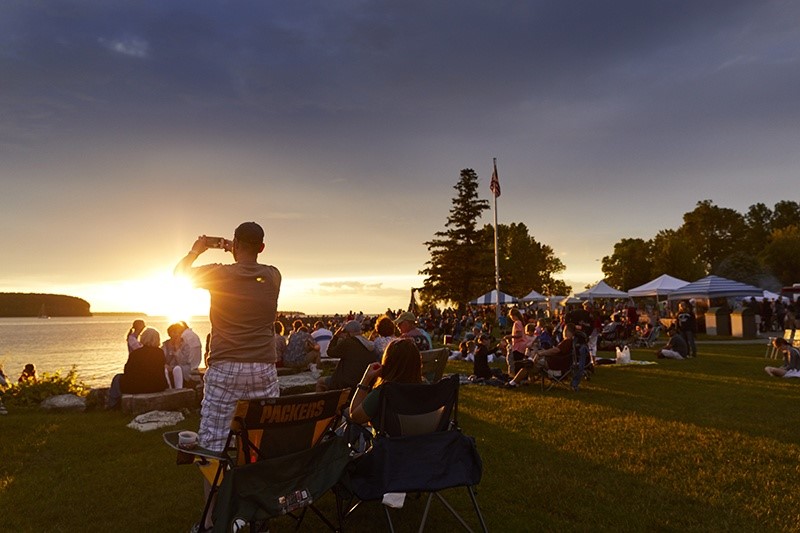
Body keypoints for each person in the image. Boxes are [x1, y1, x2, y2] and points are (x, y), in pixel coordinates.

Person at [175, 222, 281, 533]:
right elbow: (248, 261)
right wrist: (232, 247)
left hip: (225, 368)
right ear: (262, 247)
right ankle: (257, 517)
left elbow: (179, 274)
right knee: (257, 444)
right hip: (263, 368)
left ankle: (210, 522)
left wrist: (199, 249)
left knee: (211, 445)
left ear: (235, 245)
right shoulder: (273, 275)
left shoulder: (219, 274)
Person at [349, 339, 422, 425]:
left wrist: (366, 379)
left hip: (390, 433)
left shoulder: (383, 393)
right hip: (420, 433)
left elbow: (355, 416)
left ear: (387, 363)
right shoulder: (426, 389)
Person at [106, 327, 169, 409]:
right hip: (157, 386)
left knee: (117, 377)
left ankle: (112, 404)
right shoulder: (160, 353)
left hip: (138, 387)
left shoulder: (135, 353)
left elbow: (127, 370)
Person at [506, 323, 578, 389]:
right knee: (532, 359)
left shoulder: (567, 341)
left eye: (564, 330)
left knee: (527, 366)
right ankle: (526, 366)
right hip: (555, 362)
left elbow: (555, 350)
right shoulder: (570, 342)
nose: (563, 332)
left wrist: (541, 353)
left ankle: (512, 383)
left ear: (567, 331)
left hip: (554, 365)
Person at [317, 320, 377, 392]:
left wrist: (336, 336)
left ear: (349, 333)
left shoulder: (348, 343)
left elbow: (330, 352)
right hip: (364, 382)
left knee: (320, 382)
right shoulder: (369, 344)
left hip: (347, 383)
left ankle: (323, 399)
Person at [163, 322, 203, 389]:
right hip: (169, 367)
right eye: (174, 332)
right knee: (165, 370)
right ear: (170, 334)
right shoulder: (165, 345)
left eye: (179, 333)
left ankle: (179, 389)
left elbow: (183, 361)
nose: (177, 335)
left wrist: (177, 348)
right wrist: (165, 364)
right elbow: (162, 358)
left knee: (177, 369)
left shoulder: (185, 345)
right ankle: (169, 388)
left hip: (182, 368)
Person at [504, 308, 528, 376]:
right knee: (520, 362)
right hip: (522, 345)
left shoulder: (516, 323)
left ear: (513, 316)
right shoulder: (520, 322)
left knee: (517, 363)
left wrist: (509, 336)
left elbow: (519, 335)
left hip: (518, 346)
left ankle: (517, 377)